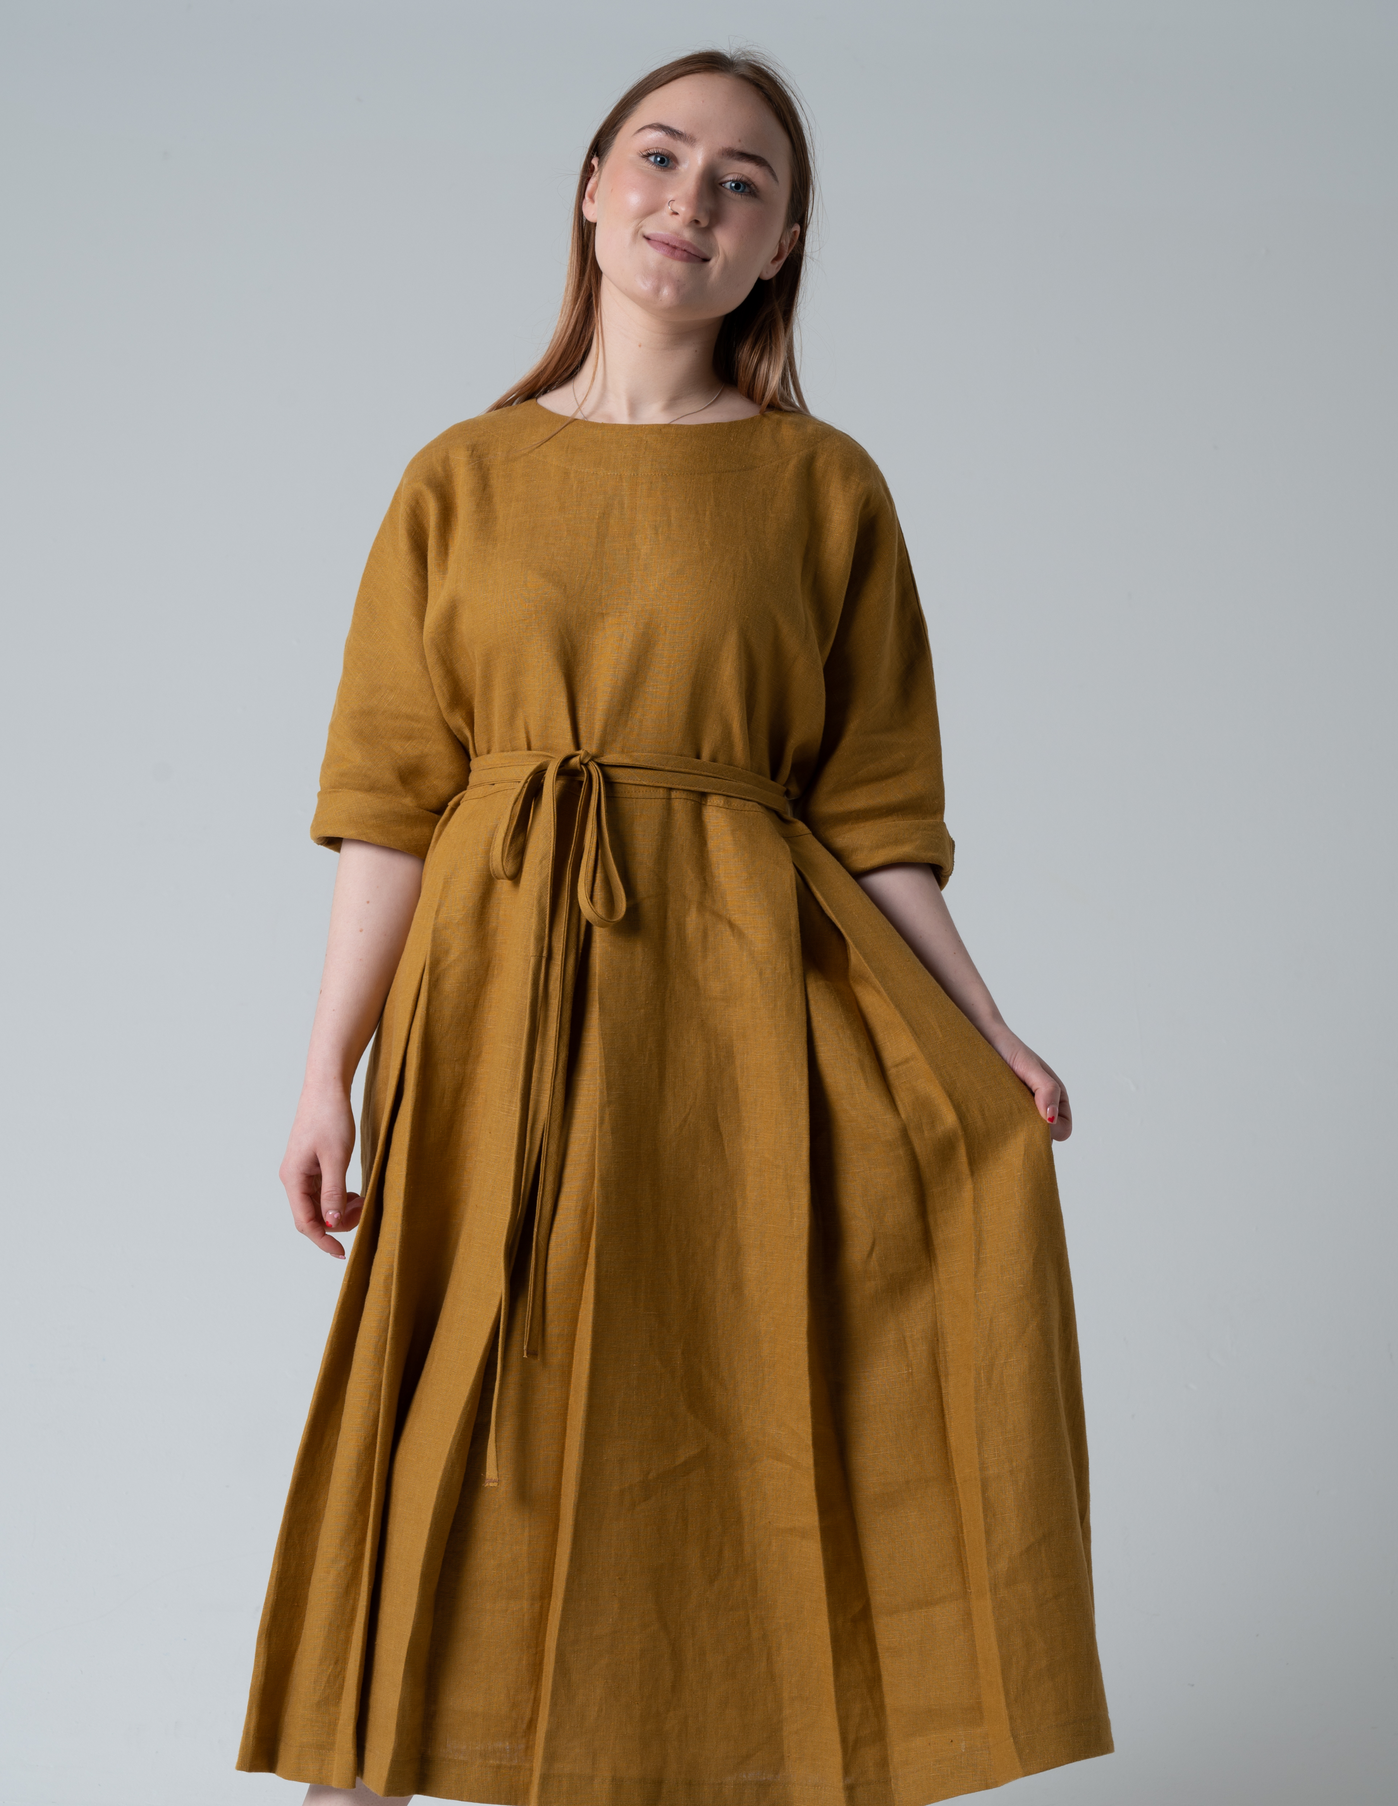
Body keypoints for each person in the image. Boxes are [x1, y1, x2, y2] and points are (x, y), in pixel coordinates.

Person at [236, 46, 1112, 1806]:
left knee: (733, 1406)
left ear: (780, 246)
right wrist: (328, 1067)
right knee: (458, 1424)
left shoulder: (825, 487)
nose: (690, 202)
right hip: (494, 1006)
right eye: (661, 157)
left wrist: (988, 1031)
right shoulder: (458, 476)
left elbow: (875, 809)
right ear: (589, 187)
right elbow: (393, 792)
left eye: (742, 185)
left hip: (740, 1013)